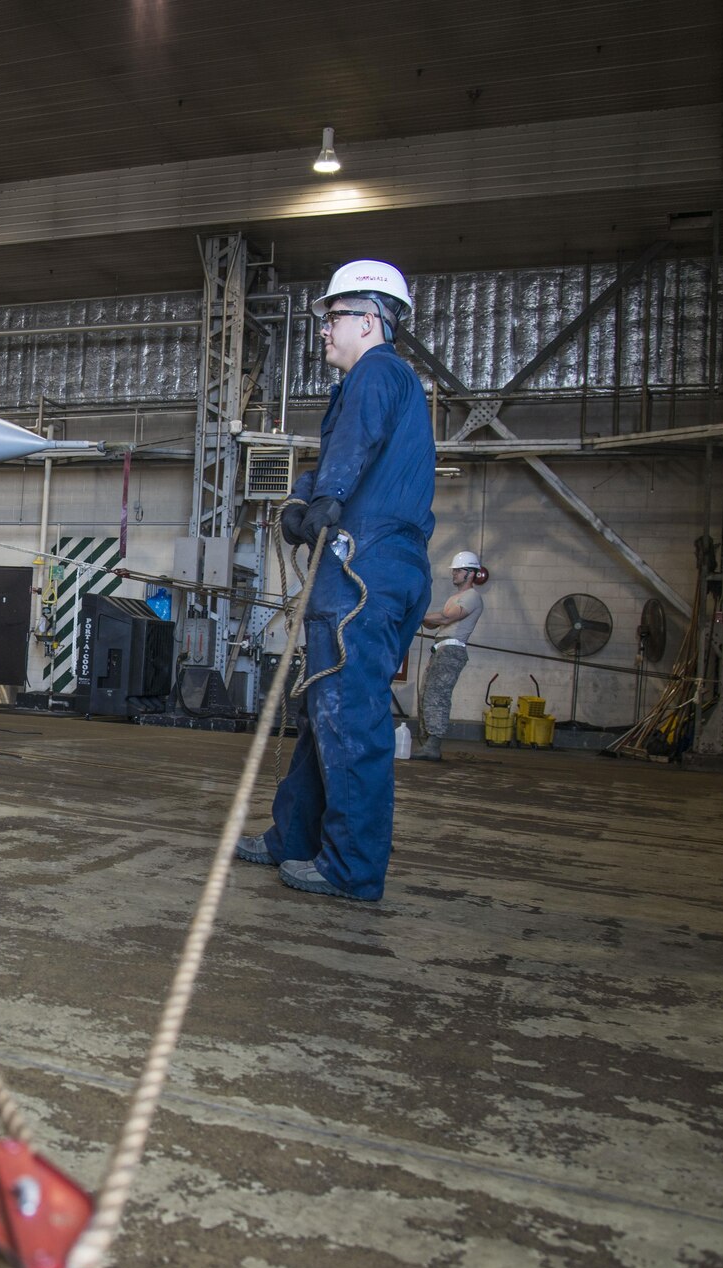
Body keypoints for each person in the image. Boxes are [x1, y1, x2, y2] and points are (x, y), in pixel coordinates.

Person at [235, 262, 435, 901]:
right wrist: (303, 499)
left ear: (372, 320)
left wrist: (329, 498)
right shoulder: (367, 385)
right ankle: (293, 840)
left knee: (348, 719)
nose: (324, 329)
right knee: (324, 716)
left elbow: (351, 455)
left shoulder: (378, 373)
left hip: (364, 570)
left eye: (335, 316)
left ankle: (351, 869)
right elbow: (341, 458)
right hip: (369, 567)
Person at [412, 551, 486, 761]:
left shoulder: (472, 596)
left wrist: (420, 615)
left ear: (470, 574)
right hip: (441, 648)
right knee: (427, 692)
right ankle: (428, 742)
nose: (454, 574)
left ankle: (433, 745)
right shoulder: (455, 597)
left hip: (451, 651)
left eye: (458, 570)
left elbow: (446, 618)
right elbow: (434, 621)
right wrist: (423, 617)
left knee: (437, 694)